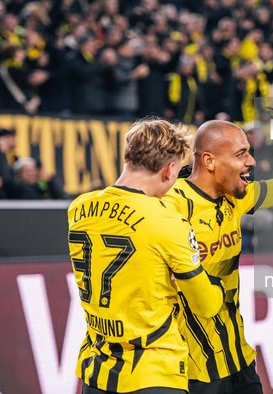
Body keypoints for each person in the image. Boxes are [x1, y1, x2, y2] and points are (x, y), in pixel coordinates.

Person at [161, 119, 273, 393]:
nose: (251, 161)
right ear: (209, 161)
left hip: (237, 358)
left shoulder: (236, 197)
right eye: (241, 153)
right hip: (193, 369)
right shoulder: (171, 206)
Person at [68, 118, 226, 394]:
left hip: (96, 370)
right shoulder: (166, 221)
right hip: (153, 372)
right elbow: (206, 305)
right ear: (169, 170)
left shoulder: (79, 208)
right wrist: (218, 287)